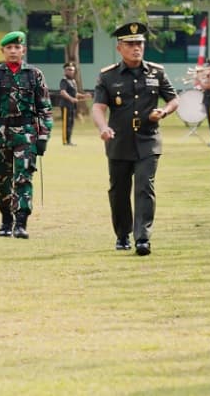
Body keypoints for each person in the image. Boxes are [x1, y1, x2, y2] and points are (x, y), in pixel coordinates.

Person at [91, 22, 179, 256]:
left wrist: (164, 111)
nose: (136, 48)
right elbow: (98, 107)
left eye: (139, 43)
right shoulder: (107, 76)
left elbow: (173, 99)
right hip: (119, 140)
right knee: (118, 191)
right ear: (119, 48)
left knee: (144, 186)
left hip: (148, 140)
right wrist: (103, 127)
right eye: (130, 44)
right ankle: (122, 234)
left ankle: (142, 238)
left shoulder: (156, 72)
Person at [0, 31, 53, 239]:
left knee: (23, 177)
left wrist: (43, 137)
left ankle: (21, 223)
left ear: (23, 50)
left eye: (17, 47)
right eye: (9, 48)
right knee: (0, 178)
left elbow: (45, 108)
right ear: (2, 51)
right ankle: (6, 219)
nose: (13, 51)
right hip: (1, 133)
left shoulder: (34, 75)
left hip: (26, 133)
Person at [59, 62, 84, 146]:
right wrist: (71, 99)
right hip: (66, 105)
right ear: (65, 71)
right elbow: (63, 92)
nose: (71, 71)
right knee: (66, 123)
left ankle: (69, 140)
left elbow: (75, 94)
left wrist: (83, 96)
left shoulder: (73, 81)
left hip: (72, 106)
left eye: (73, 70)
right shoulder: (64, 81)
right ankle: (65, 141)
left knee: (71, 123)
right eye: (69, 69)